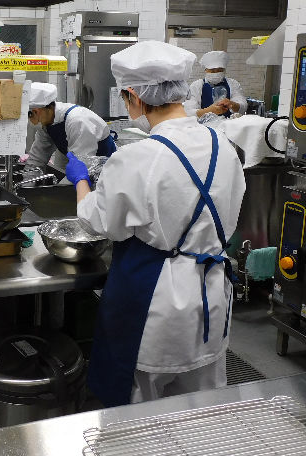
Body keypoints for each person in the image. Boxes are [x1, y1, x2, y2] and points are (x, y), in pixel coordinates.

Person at [65, 40, 245, 406]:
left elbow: (98, 223)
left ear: (134, 95)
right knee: (200, 408)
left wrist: (81, 180)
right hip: (211, 295)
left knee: (141, 408)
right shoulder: (223, 144)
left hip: (154, 303)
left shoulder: (138, 157)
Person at [24, 82, 116, 174]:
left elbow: (82, 167)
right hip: (79, 162)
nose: (30, 121)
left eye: (30, 115)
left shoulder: (78, 122)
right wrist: (27, 180)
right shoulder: (46, 123)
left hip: (108, 171)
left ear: (38, 111)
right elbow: (37, 158)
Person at [183, 50, 247, 120]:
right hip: (203, 125)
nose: (216, 73)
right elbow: (188, 112)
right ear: (205, 70)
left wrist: (232, 104)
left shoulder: (232, 84)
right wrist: (208, 110)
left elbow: (243, 106)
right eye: (212, 70)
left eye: (220, 70)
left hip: (228, 124)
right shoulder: (197, 86)